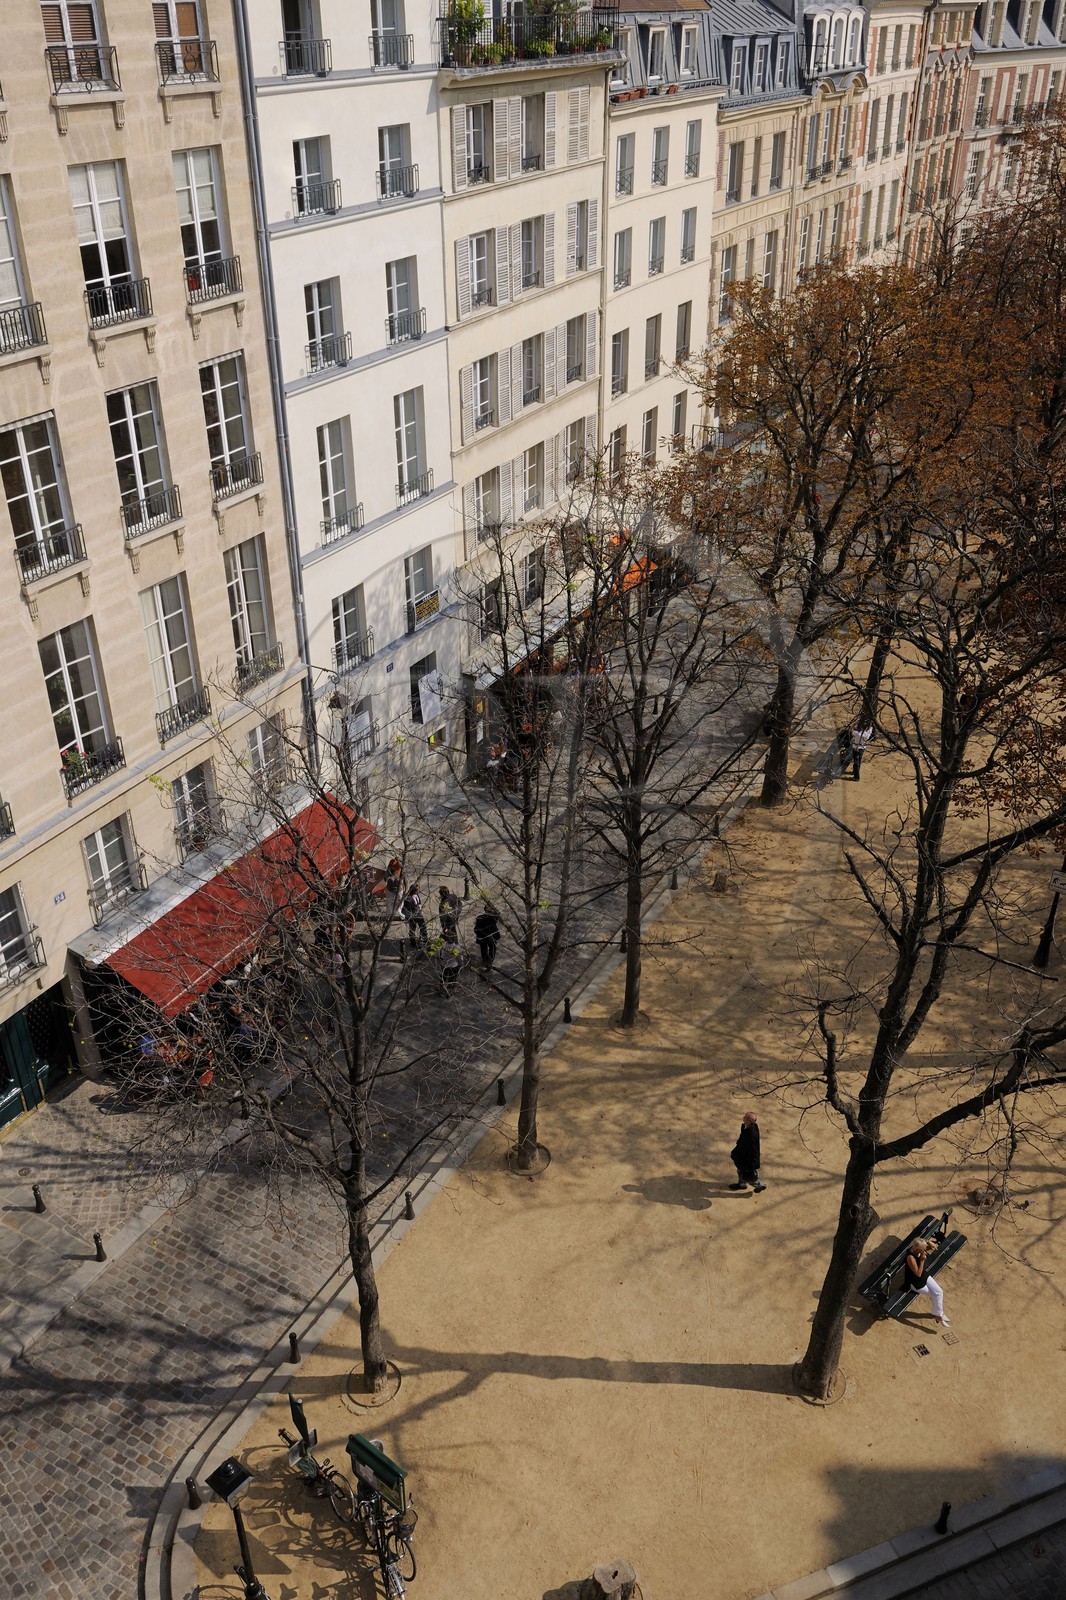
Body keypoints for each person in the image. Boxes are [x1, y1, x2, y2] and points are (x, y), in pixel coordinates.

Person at [905, 1236, 950, 1325]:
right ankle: (939, 1315)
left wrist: (929, 1242)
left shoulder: (917, 1247)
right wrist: (922, 1261)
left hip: (924, 1276)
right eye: (922, 1250)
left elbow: (934, 1247)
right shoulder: (910, 1257)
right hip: (915, 1282)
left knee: (939, 1292)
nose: (924, 1251)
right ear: (917, 1249)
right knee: (935, 1295)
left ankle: (938, 1314)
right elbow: (918, 1274)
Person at [729, 1111, 766, 1192]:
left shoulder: (752, 1134)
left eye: (744, 1117)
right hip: (741, 1155)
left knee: (748, 1175)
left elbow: (754, 1151)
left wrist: (750, 1165)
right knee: (740, 1170)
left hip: (747, 1160)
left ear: (749, 1121)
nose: (743, 1118)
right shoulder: (747, 1126)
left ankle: (760, 1185)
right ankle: (742, 1184)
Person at [473, 904, 500, 969]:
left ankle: (485, 960)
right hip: (491, 936)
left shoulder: (479, 918)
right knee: (492, 948)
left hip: (483, 937)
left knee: (483, 948)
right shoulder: (494, 918)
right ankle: (490, 961)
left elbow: (476, 929)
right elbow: (498, 913)